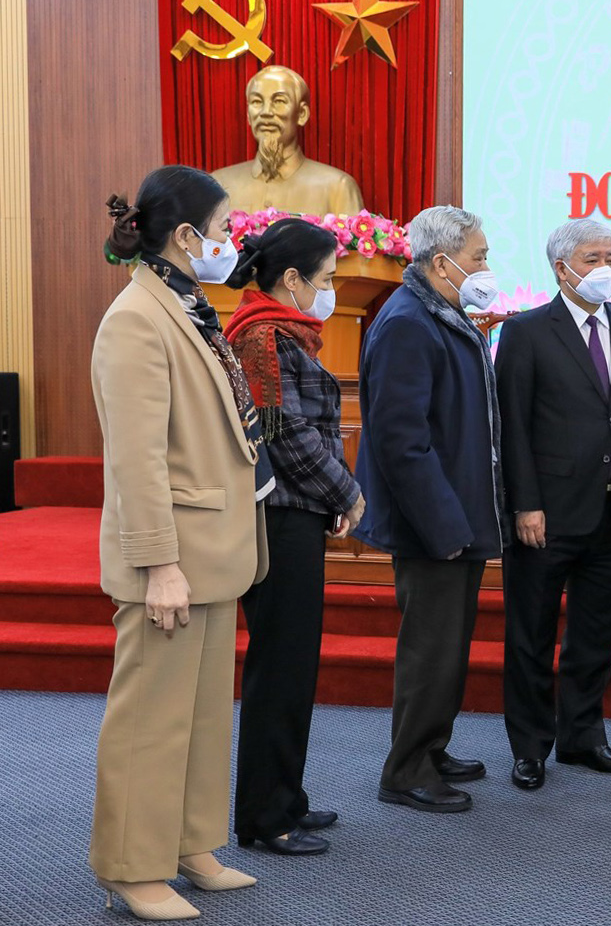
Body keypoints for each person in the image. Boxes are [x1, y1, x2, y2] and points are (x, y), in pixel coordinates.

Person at [90, 166, 272, 920]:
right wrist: (159, 563)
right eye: (224, 229)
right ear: (188, 235)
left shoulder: (187, 304)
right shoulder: (136, 318)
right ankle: (132, 866)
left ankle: (191, 843)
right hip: (171, 557)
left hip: (213, 550)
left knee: (200, 715)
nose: (232, 242)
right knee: (152, 719)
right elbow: (136, 460)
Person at [495, 219, 611, 791]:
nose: (606, 268)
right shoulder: (524, 331)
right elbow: (512, 426)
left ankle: (583, 736)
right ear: (561, 268)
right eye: (593, 258)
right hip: (545, 512)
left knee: (596, 633)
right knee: (531, 633)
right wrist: (524, 503)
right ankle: (529, 747)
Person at [353, 205, 508, 814]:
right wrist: (444, 525)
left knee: (448, 647)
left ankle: (431, 748)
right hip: (432, 523)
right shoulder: (407, 322)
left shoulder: (440, 311)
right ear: (442, 263)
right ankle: (407, 770)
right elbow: (401, 440)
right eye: (479, 257)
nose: (486, 267)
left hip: (455, 515)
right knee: (430, 650)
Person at [223, 218, 365, 856]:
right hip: (279, 519)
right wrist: (346, 492)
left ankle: (288, 798)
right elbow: (284, 433)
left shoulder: (282, 331)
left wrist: (328, 496)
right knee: (280, 667)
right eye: (327, 278)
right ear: (291, 279)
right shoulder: (261, 335)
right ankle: (265, 816)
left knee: (294, 663)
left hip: (296, 512)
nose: (332, 290)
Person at [211, 65, 365, 216]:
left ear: (302, 114)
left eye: (279, 101)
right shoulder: (218, 185)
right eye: (257, 102)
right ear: (248, 115)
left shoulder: (338, 188)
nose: (265, 112)